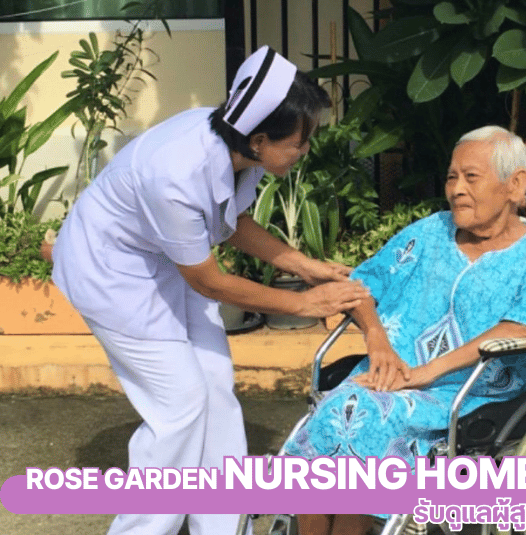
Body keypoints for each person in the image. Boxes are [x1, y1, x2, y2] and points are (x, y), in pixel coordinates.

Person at [51, 45, 370, 535]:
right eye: (299, 142)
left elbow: (228, 220)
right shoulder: (174, 171)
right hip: (112, 273)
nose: (305, 150)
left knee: (216, 388)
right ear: (260, 140)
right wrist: (303, 302)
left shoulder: (237, 146)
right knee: (179, 405)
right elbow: (209, 280)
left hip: (167, 259)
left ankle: (222, 526)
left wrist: (303, 266)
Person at [283, 126, 526, 535]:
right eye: (451, 177)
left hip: (475, 392)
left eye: (471, 177)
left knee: (365, 419)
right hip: (389, 373)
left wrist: (426, 373)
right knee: (337, 412)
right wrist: (377, 339)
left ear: (515, 184)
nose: (456, 189)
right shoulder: (429, 233)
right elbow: (361, 286)